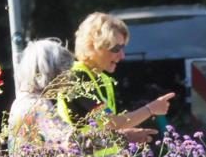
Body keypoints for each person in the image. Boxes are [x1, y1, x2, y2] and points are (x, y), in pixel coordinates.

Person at [59, 12, 175, 145]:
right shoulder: (77, 77)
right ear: (92, 45)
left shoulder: (102, 78)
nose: (122, 55)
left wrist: (125, 136)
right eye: (115, 48)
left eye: (123, 48)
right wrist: (151, 109)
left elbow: (105, 129)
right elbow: (111, 123)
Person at [7, 38, 75, 149]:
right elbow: (65, 140)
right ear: (52, 73)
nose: (67, 80)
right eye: (64, 74)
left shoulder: (20, 102)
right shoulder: (39, 105)